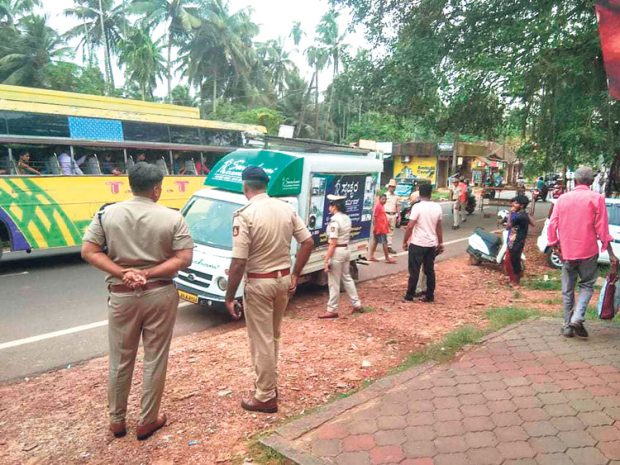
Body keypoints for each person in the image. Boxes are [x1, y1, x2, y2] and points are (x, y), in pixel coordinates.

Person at [81, 162, 194, 441]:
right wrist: (148, 272)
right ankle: (147, 420)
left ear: (129, 184)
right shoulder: (172, 217)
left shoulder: (107, 214)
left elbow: (89, 251)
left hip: (121, 296)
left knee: (120, 359)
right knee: (155, 357)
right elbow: (184, 258)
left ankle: (117, 421)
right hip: (160, 293)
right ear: (157, 189)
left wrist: (124, 273)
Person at [224, 166, 314, 414]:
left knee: (260, 339)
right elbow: (307, 242)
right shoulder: (285, 208)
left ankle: (265, 396)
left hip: (259, 283)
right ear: (266, 185)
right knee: (273, 336)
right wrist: (296, 273)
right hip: (283, 280)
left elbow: (239, 260)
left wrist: (229, 296)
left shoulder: (244, 214)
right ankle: (270, 386)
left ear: (245, 187)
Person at [547, 166, 618, 339]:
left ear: (575, 181)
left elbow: (552, 224)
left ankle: (567, 325)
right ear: (592, 181)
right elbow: (602, 229)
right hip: (588, 251)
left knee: (567, 289)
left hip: (568, 252)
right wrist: (610, 253)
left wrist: (554, 245)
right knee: (586, 285)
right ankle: (577, 318)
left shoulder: (563, 199)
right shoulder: (596, 198)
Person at [319, 194, 364, 319]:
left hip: (337, 251)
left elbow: (332, 243)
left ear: (335, 207)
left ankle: (332, 309)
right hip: (346, 249)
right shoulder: (346, 218)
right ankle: (356, 304)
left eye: (331, 205)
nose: (329, 207)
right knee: (347, 278)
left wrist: (326, 258)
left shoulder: (335, 221)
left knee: (334, 282)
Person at [402, 183, 444, 302]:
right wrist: (440, 243)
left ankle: (410, 295)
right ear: (431, 193)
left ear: (419, 193)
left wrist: (405, 241)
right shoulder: (437, 207)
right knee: (429, 270)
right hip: (431, 244)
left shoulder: (417, 207)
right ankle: (429, 295)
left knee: (414, 270)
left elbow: (410, 226)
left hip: (417, 243)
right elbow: (439, 227)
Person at [504, 195, 535, 287]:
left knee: (512, 260)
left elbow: (508, 226)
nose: (513, 204)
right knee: (512, 260)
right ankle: (516, 278)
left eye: (516, 203)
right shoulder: (523, 214)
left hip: (516, 241)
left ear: (521, 206)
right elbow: (533, 223)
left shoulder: (519, 216)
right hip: (515, 239)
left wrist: (510, 213)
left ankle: (515, 281)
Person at [368, 194, 397, 263]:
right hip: (380, 228)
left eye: (385, 199)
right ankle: (387, 258)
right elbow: (375, 217)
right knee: (385, 243)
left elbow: (382, 217)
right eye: (383, 199)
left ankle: (371, 256)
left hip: (381, 228)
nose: (384, 201)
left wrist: (388, 224)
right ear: (379, 199)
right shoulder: (378, 206)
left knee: (375, 242)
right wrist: (376, 227)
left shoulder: (381, 206)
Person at [384, 178, 399, 253]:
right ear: (389, 187)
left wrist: (399, 215)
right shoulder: (385, 195)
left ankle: (389, 246)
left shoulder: (396, 196)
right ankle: (381, 244)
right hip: (386, 214)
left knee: (391, 231)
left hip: (393, 214)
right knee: (383, 230)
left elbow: (398, 206)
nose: (392, 188)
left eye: (394, 187)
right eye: (391, 186)